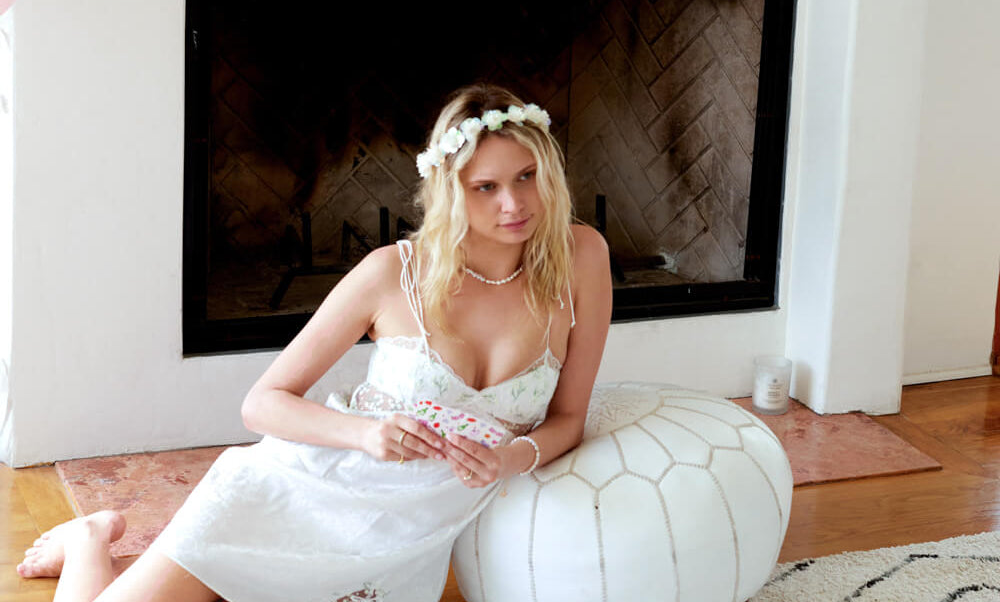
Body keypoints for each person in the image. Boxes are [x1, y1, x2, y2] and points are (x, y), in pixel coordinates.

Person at [18, 84, 613, 602]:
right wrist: (367, 433)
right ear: (451, 190)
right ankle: (89, 539)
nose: (514, 204)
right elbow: (263, 402)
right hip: (299, 493)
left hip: (400, 541)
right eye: (485, 187)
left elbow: (567, 418)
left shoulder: (580, 258)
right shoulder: (391, 273)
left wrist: (512, 458)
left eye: (526, 176)